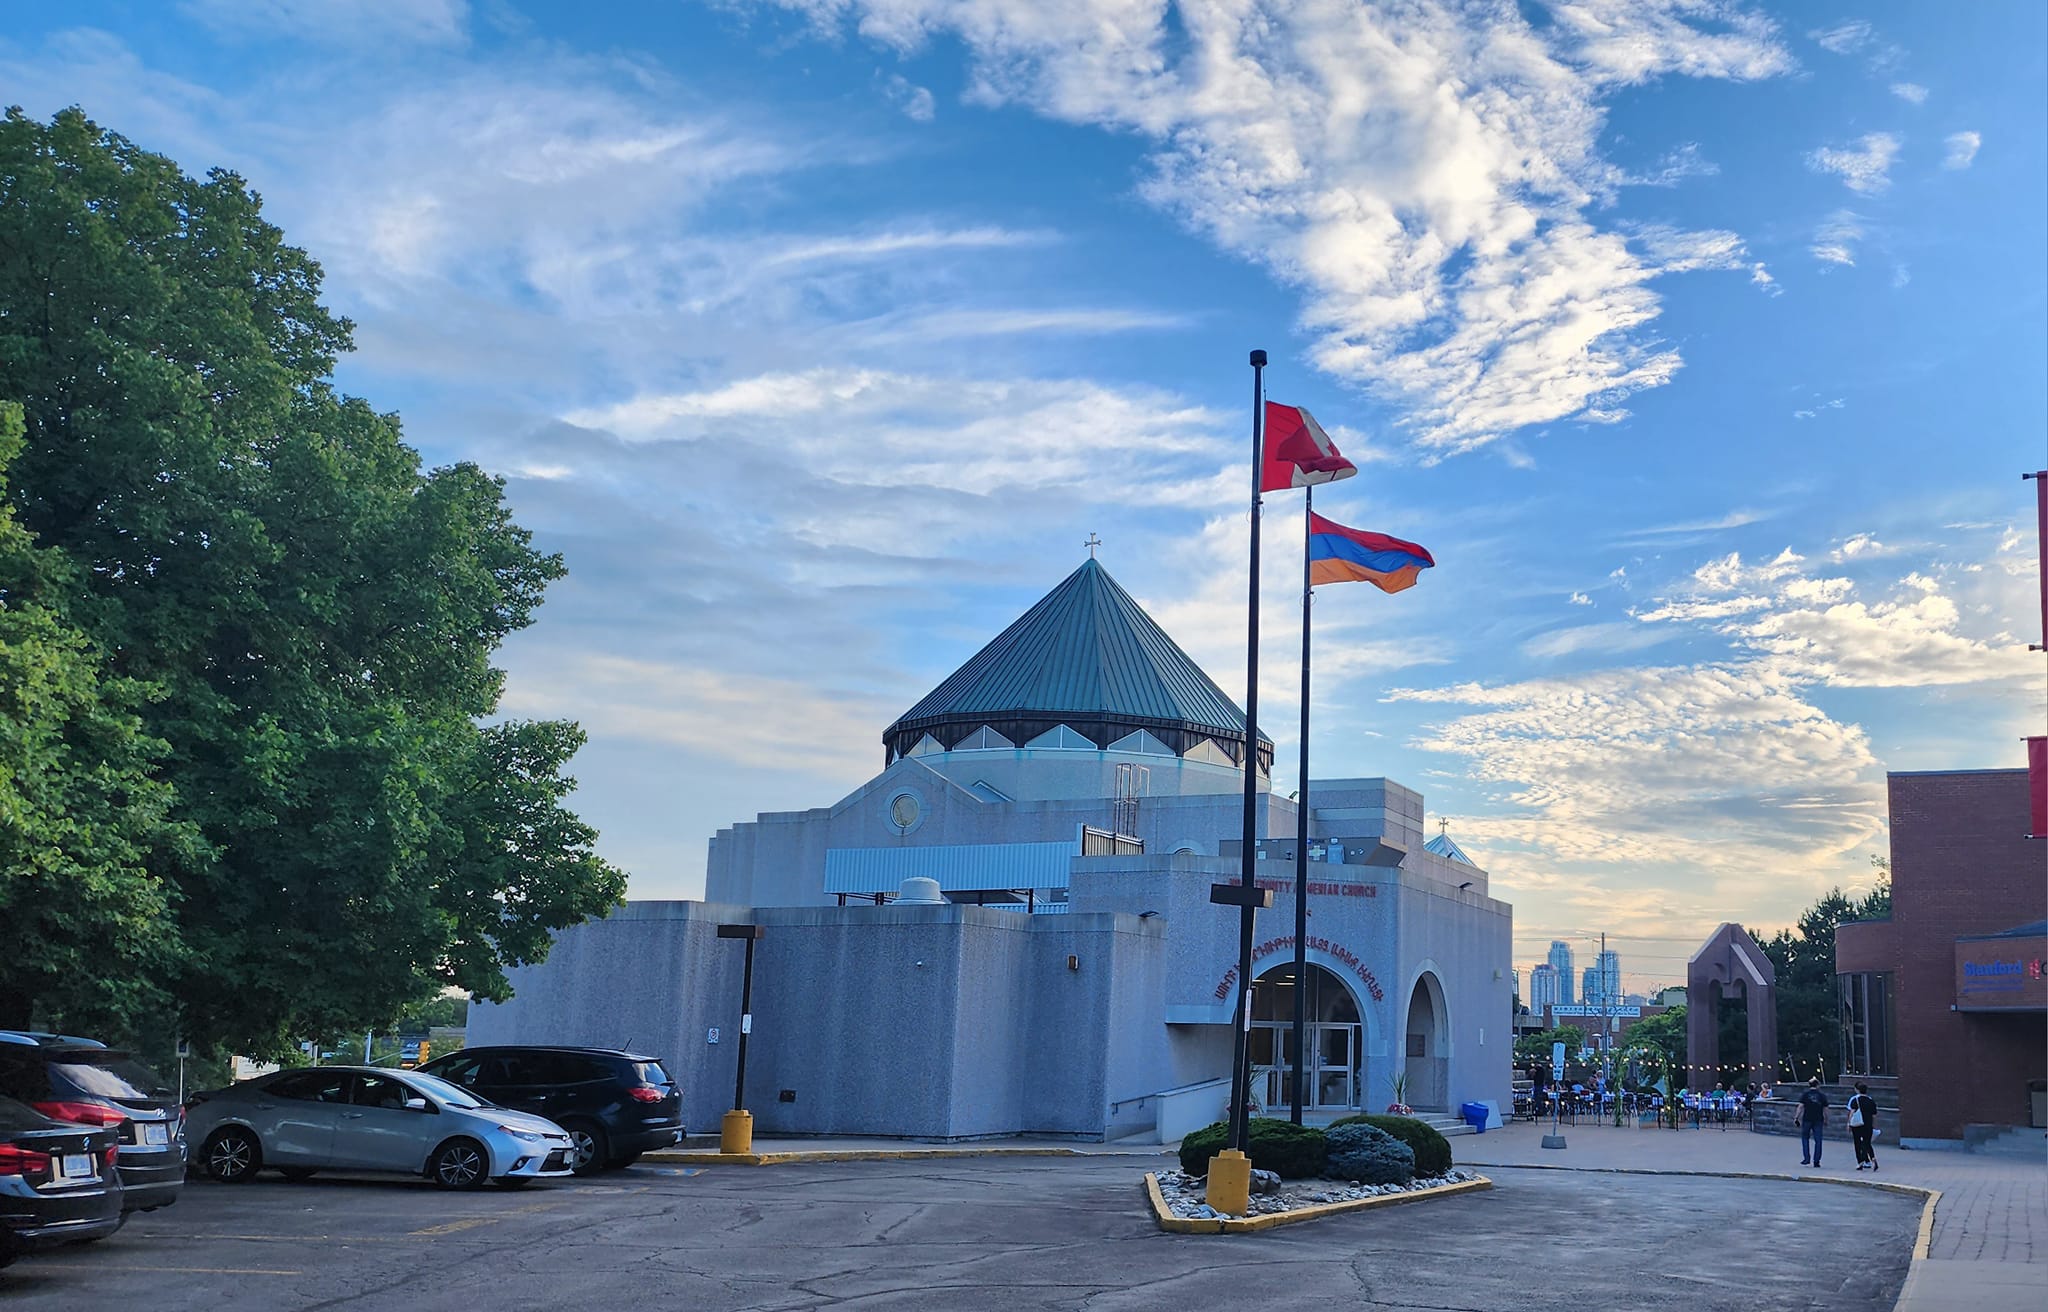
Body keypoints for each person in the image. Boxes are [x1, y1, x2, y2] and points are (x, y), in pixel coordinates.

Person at [1797, 1076, 1830, 1167]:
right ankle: (1816, 1161)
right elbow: (1826, 1109)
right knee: (1818, 1140)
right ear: (1817, 1085)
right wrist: (1826, 1119)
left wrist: (1796, 1117)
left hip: (1807, 1118)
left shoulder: (1805, 1094)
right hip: (1818, 1119)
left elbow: (1800, 1107)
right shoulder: (1822, 1096)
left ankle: (1806, 1158)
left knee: (1805, 1138)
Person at [1848, 1081, 1879, 1171]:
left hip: (1857, 1125)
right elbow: (1874, 1115)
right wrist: (1874, 1126)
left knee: (1857, 1143)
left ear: (1857, 1090)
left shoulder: (1855, 1100)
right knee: (1867, 1143)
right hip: (1868, 1124)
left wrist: (1849, 1123)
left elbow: (1852, 1112)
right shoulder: (1871, 1101)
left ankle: (1860, 1163)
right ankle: (1873, 1158)